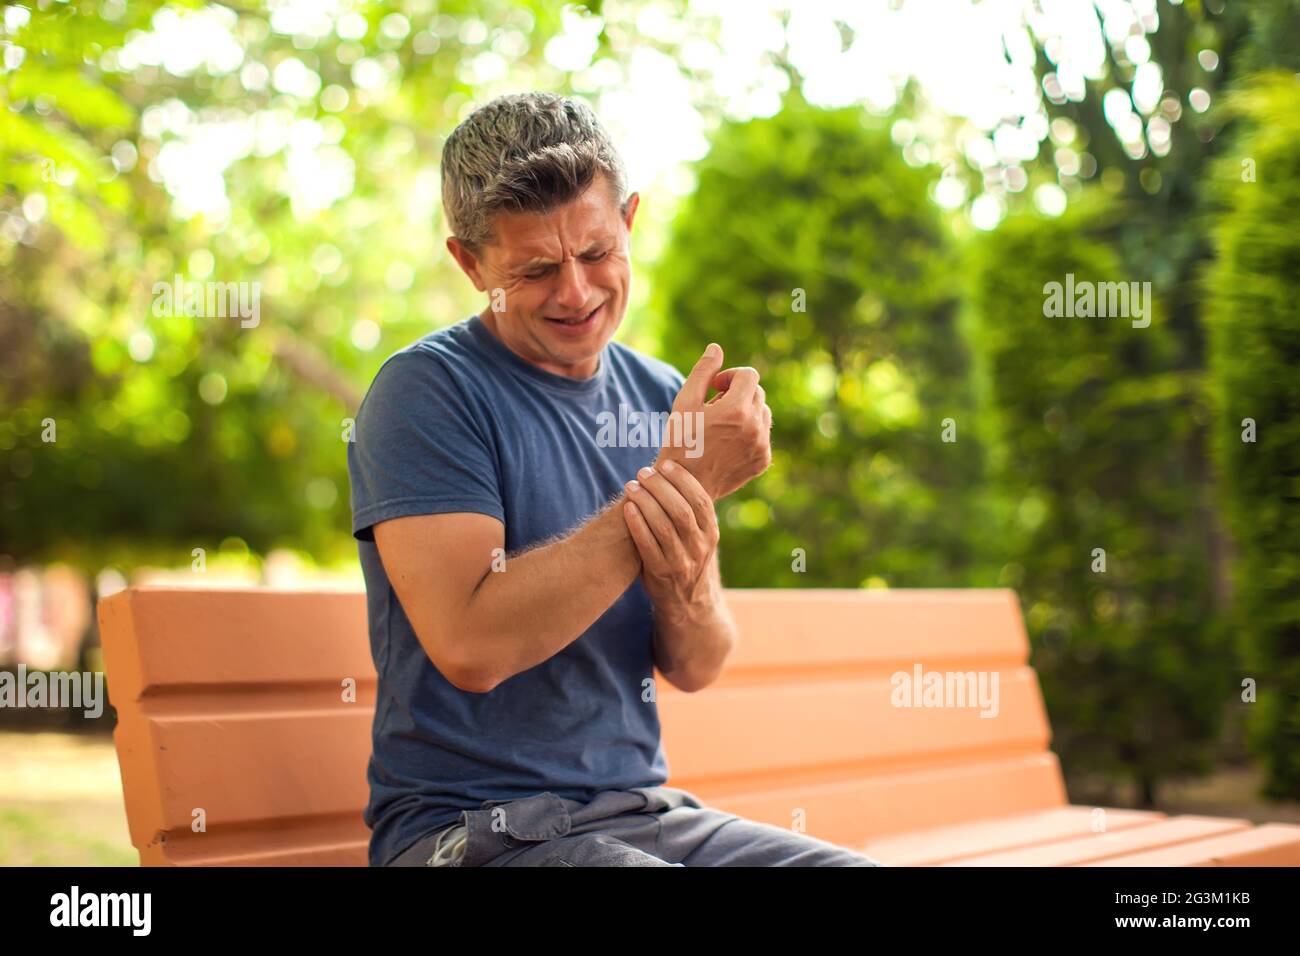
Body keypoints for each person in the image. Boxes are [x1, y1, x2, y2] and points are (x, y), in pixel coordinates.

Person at [347, 91, 879, 867]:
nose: (576, 292)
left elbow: (699, 662)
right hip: (470, 833)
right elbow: (471, 646)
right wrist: (679, 485)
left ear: (629, 220)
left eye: (597, 253)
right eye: (535, 268)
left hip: (646, 816)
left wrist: (682, 553)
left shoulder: (663, 395)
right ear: (469, 262)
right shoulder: (426, 393)